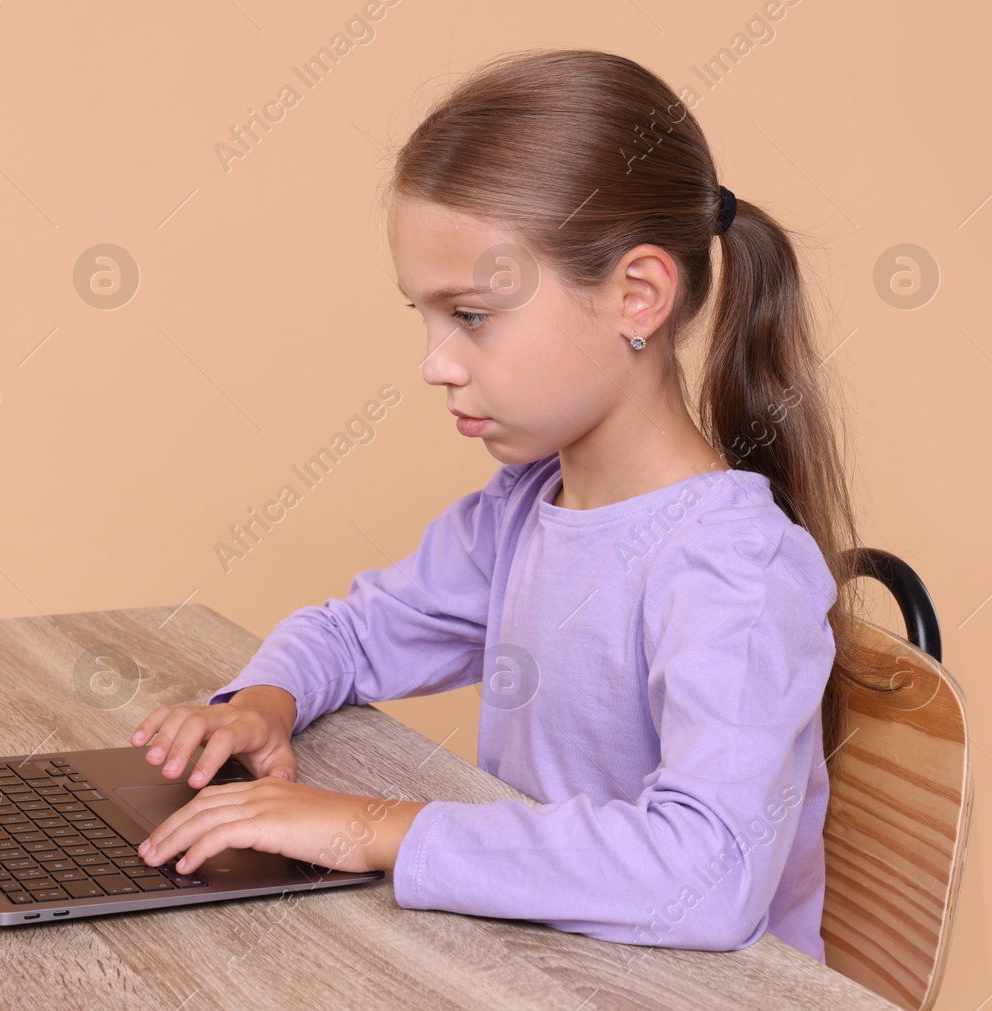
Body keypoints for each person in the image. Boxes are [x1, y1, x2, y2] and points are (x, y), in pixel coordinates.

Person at [128, 47, 871, 963]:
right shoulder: (524, 510)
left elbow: (707, 873)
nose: (436, 362)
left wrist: (374, 827)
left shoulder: (732, 568)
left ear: (637, 295)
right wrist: (264, 702)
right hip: (547, 967)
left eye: (472, 315)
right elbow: (360, 633)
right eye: (426, 317)